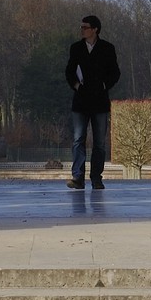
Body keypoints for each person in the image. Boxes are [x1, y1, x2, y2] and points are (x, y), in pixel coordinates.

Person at [64, 13, 120, 189]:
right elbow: (69, 71)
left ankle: (96, 177)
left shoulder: (107, 48)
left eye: (85, 27)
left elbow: (115, 72)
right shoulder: (76, 48)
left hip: (99, 100)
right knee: (78, 139)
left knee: (99, 143)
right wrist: (77, 86)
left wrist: (104, 85)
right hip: (81, 100)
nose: (82, 30)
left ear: (95, 30)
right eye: (81, 27)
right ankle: (78, 177)